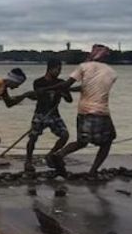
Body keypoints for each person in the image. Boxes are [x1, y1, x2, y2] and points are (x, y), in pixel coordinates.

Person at [46, 44, 117, 176]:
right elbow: (91, 87)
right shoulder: (112, 73)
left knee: (82, 141)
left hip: (83, 111)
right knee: (107, 141)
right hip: (101, 111)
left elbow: (69, 85)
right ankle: (93, 171)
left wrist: (50, 89)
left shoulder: (83, 66)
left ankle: (59, 154)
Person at [23, 58, 77, 173]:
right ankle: (28, 160)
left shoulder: (61, 82)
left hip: (54, 114)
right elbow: (38, 95)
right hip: (41, 113)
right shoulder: (38, 82)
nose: (59, 72)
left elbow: (69, 100)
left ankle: (51, 154)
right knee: (33, 137)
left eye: (60, 69)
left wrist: (64, 92)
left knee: (64, 135)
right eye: (57, 69)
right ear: (50, 69)